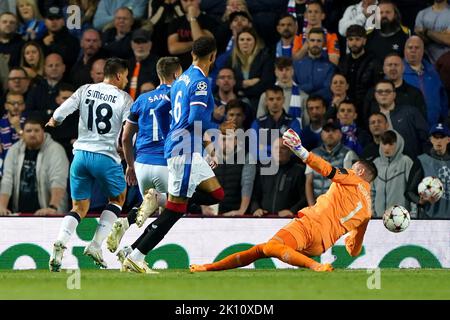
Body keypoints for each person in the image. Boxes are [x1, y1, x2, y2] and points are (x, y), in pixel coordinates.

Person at [190, 128, 378, 273]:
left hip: (311, 225)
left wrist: (301, 151)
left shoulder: (352, 177)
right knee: (262, 249)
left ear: (360, 171)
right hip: (320, 245)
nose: (349, 169)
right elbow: (354, 250)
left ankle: (317, 267)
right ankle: (209, 267)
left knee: (270, 247)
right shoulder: (367, 211)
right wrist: (349, 242)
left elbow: (327, 169)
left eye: (353, 167)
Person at [121, 37, 232, 273]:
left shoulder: (180, 80)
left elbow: (162, 109)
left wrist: (167, 133)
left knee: (216, 194)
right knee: (176, 210)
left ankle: (158, 200)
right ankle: (136, 255)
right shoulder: (200, 83)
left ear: (192, 54)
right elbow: (195, 119)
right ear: (212, 56)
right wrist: (219, 127)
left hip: (182, 147)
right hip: (185, 149)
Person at [46, 58, 133, 272]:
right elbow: (129, 130)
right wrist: (125, 150)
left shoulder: (85, 89)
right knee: (118, 199)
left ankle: (60, 242)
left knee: (79, 207)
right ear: (119, 75)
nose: (127, 80)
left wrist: (53, 122)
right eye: (127, 76)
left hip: (81, 155)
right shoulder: (124, 98)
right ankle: (95, 245)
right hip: (105, 156)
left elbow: (60, 113)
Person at [106, 57, 183, 255]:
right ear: (176, 74)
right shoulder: (179, 96)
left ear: (159, 75)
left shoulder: (142, 99)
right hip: (166, 163)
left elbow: (125, 139)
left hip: (141, 165)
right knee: (173, 211)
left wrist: (130, 167)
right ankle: (136, 253)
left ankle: (127, 230)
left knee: (159, 214)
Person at [0, 117, 69, 216]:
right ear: (22, 133)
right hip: (20, 213)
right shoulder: (14, 150)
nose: (32, 134)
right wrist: (2, 206)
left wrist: (52, 207)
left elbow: (58, 180)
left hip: (49, 213)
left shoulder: (56, 150)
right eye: (28, 131)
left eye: (36, 130)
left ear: (43, 132)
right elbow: (7, 180)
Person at [305, 120, 359, 206]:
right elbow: (309, 182)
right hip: (318, 207)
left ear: (340, 134)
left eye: (334, 130)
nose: (330, 133)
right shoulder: (313, 154)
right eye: (327, 131)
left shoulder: (349, 154)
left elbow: (350, 185)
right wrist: (312, 207)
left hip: (339, 208)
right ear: (321, 134)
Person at [251, 137, 307, 218]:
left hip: (288, 220)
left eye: (283, 148)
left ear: (290, 152)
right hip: (264, 219)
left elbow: (305, 198)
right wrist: (256, 208)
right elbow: (254, 195)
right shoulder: (262, 170)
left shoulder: (299, 171)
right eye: (276, 148)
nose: (279, 151)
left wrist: (292, 211)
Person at [406, 123, 450, 219]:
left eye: (442, 137)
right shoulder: (422, 161)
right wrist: (420, 201)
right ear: (431, 139)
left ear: (448, 140)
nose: (439, 140)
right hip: (428, 219)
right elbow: (409, 192)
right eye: (435, 137)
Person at [403, 36, 448, 127]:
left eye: (417, 47)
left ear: (423, 51)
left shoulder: (433, 72)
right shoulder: (396, 72)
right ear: (404, 50)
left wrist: (444, 121)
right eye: (410, 47)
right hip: (409, 129)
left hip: (434, 128)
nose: (413, 50)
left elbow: (442, 97)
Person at [372, 130, 413, 217]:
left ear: (398, 144)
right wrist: (371, 213)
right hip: (379, 219)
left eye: (391, 144)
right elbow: (371, 191)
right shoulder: (376, 163)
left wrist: (413, 215)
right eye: (384, 144)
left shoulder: (405, 162)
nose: (387, 147)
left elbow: (412, 191)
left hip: (401, 218)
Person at [293, 27, 335, 104]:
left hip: (321, 107)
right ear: (307, 42)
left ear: (324, 43)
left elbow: (328, 90)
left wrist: (308, 96)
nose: (315, 44)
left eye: (319, 41)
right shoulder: (296, 65)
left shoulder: (330, 67)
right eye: (312, 40)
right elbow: (293, 88)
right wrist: (311, 88)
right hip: (299, 105)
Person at [414, 0, 450, 64]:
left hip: (446, 63)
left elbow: (448, 40)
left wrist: (426, 31)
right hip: (425, 62)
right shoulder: (422, 14)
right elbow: (419, 40)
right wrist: (440, 36)